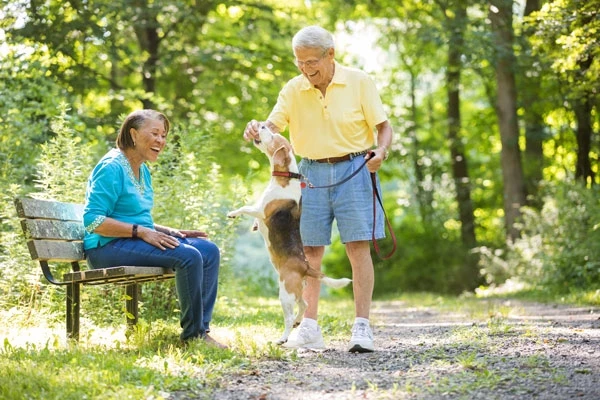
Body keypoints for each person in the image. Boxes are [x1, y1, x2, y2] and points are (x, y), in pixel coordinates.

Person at [243, 25, 393, 353]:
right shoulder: (293, 89)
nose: (305, 69)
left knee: (357, 248)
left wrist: (380, 152)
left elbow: (383, 127)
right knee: (309, 250)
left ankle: (362, 327)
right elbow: (272, 127)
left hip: (355, 168)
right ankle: (309, 327)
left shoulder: (359, 81)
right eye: (299, 62)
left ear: (330, 55)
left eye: (312, 62)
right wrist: (256, 130)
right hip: (308, 173)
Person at [83, 109, 227, 348]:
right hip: (105, 248)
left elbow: (139, 221)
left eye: (164, 135)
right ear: (133, 134)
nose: (161, 140)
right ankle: (193, 337)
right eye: (155, 133)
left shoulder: (142, 169)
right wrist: (141, 232)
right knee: (189, 256)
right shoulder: (112, 167)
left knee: (208, 250)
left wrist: (171, 231)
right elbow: (93, 221)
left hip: (129, 242)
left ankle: (201, 328)